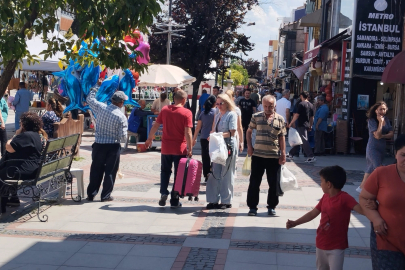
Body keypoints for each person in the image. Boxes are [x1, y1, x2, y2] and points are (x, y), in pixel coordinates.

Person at [286, 166, 365, 270]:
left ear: (329, 184)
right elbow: (312, 213)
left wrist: (371, 206)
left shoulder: (345, 198)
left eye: (321, 181)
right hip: (321, 243)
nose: (320, 184)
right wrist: (296, 223)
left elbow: (362, 210)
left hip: (337, 246)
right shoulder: (325, 197)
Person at [360, 135, 405, 269]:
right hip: (386, 240)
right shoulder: (382, 173)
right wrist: (375, 218)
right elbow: (364, 198)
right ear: (395, 154)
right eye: (403, 154)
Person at [146, 90, 193, 208]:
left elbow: (156, 125)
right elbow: (188, 132)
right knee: (178, 174)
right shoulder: (186, 112)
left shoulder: (165, 110)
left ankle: (163, 192)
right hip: (179, 148)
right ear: (183, 100)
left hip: (166, 147)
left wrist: (149, 138)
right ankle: (174, 199)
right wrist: (190, 147)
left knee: (165, 171)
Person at [246, 95, 286, 216]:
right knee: (254, 182)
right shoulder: (256, 117)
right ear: (262, 105)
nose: (268, 109)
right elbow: (249, 131)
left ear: (275, 106)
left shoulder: (280, 119)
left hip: (273, 156)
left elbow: (282, 137)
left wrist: (283, 153)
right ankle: (252, 207)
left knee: (273, 183)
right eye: (266, 106)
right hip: (258, 155)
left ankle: (272, 206)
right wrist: (249, 146)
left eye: (271, 106)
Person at [86, 89, 128, 202]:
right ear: (121, 103)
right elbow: (123, 137)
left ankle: (91, 194)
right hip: (113, 146)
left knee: (96, 170)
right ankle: (105, 195)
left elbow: (89, 99)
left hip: (99, 144)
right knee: (110, 171)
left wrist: (95, 88)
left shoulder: (101, 107)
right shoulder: (121, 117)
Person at [0, 112, 46, 213]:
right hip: (33, 169)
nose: (20, 124)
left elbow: (8, 147)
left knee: (4, 173)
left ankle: (2, 205)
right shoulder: (37, 135)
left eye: (21, 123)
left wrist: (15, 135)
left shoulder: (25, 136)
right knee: (6, 170)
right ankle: (12, 199)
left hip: (23, 171)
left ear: (24, 124)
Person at [206, 94, 237, 209]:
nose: (218, 106)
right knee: (215, 172)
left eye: (220, 104)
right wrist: (213, 136)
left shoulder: (231, 114)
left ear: (227, 103)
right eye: (217, 104)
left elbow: (232, 132)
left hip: (227, 145)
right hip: (218, 146)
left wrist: (218, 136)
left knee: (226, 174)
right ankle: (213, 199)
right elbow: (214, 129)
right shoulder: (218, 114)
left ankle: (226, 200)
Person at [358, 101, 393, 192]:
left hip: (382, 147)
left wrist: (383, 136)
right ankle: (381, 188)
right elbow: (377, 135)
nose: (382, 111)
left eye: (384, 109)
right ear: (376, 110)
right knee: (379, 167)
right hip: (372, 147)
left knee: (369, 169)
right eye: (380, 109)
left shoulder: (386, 119)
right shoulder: (372, 121)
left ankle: (361, 188)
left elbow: (391, 133)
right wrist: (380, 123)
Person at [193, 96, 216, 183]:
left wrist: (194, 138)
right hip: (213, 138)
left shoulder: (203, 113)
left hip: (203, 138)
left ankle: (206, 175)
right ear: (214, 103)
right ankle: (212, 172)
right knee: (214, 156)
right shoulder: (216, 112)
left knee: (205, 157)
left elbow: (198, 127)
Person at [287, 91, 316, 163]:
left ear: (301, 96)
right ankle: (291, 153)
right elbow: (312, 117)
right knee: (299, 140)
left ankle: (310, 156)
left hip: (301, 124)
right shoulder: (311, 105)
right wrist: (311, 125)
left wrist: (291, 123)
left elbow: (296, 115)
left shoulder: (301, 104)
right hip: (306, 124)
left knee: (303, 140)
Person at [0, 92, 9, 156]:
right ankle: (4, 158)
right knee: (4, 141)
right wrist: (2, 122)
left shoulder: (3, 98)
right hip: (1, 124)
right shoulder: (1, 99)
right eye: (7, 89)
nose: (8, 90)